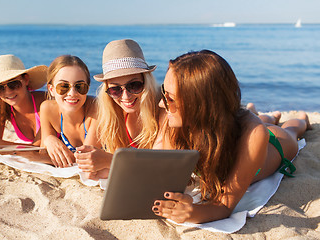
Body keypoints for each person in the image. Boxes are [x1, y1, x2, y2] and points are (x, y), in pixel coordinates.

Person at [152, 50, 311, 224]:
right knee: (257, 122)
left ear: (199, 103)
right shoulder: (174, 121)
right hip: (232, 128)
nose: (162, 103)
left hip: (273, 146)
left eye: (170, 98)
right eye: (163, 92)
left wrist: (193, 213)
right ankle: (267, 116)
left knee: (291, 131)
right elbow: (169, 179)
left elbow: (225, 207)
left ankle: (302, 118)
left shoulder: (254, 135)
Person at [75, 39, 162, 179]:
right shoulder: (110, 112)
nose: (126, 96)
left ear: (146, 82)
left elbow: (160, 169)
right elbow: (86, 164)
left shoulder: (163, 108)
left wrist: (110, 161)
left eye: (134, 85)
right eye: (115, 89)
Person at [40, 55, 99, 168]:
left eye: (80, 86)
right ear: (51, 90)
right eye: (63, 86)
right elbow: (43, 154)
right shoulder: (47, 109)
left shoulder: (96, 109)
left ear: (88, 87)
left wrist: (49, 140)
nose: (72, 93)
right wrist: (48, 139)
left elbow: (85, 159)